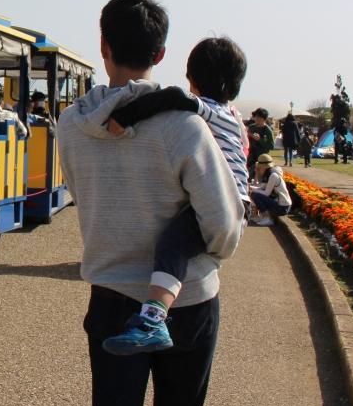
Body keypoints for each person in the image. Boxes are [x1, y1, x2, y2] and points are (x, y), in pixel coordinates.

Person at [57, 0, 242, 406]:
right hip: (189, 299)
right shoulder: (184, 126)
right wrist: (208, 254)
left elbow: (80, 193)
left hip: (111, 294)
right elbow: (223, 224)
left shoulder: (72, 125)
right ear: (160, 54)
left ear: (103, 45)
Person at [100, 35, 251, 355]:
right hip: (236, 199)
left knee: (172, 245)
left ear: (191, 78)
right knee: (178, 246)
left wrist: (125, 116)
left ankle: (153, 319)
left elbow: (171, 98)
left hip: (225, 200)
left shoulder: (207, 109)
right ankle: (155, 316)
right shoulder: (232, 115)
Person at [248, 154, 291, 226]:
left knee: (255, 195)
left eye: (259, 167)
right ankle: (263, 216)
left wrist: (253, 190)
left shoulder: (273, 176)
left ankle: (267, 218)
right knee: (255, 194)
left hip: (283, 207)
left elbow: (266, 193)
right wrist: (251, 187)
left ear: (263, 167)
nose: (258, 169)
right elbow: (261, 187)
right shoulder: (270, 174)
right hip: (280, 204)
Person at [246, 109, 273, 177]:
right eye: (255, 117)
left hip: (262, 160)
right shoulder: (251, 127)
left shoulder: (267, 130)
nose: (256, 119)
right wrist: (248, 135)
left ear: (263, 119)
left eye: (258, 117)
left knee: (260, 178)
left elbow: (271, 146)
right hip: (251, 157)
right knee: (249, 176)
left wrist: (259, 140)